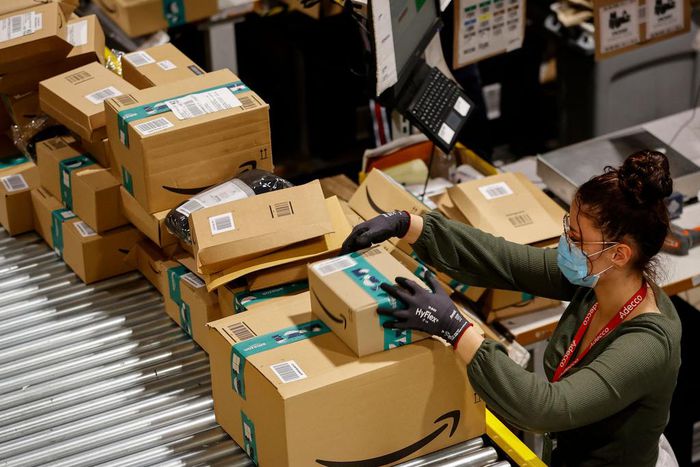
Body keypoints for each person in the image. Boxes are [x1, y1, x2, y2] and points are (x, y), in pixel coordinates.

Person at [341, 150, 682, 466]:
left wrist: (457, 329)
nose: (565, 242)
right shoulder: (598, 280)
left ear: (619, 254)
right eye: (568, 226)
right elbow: (506, 261)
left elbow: (546, 407)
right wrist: (410, 225)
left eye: (576, 238)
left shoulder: (648, 343)